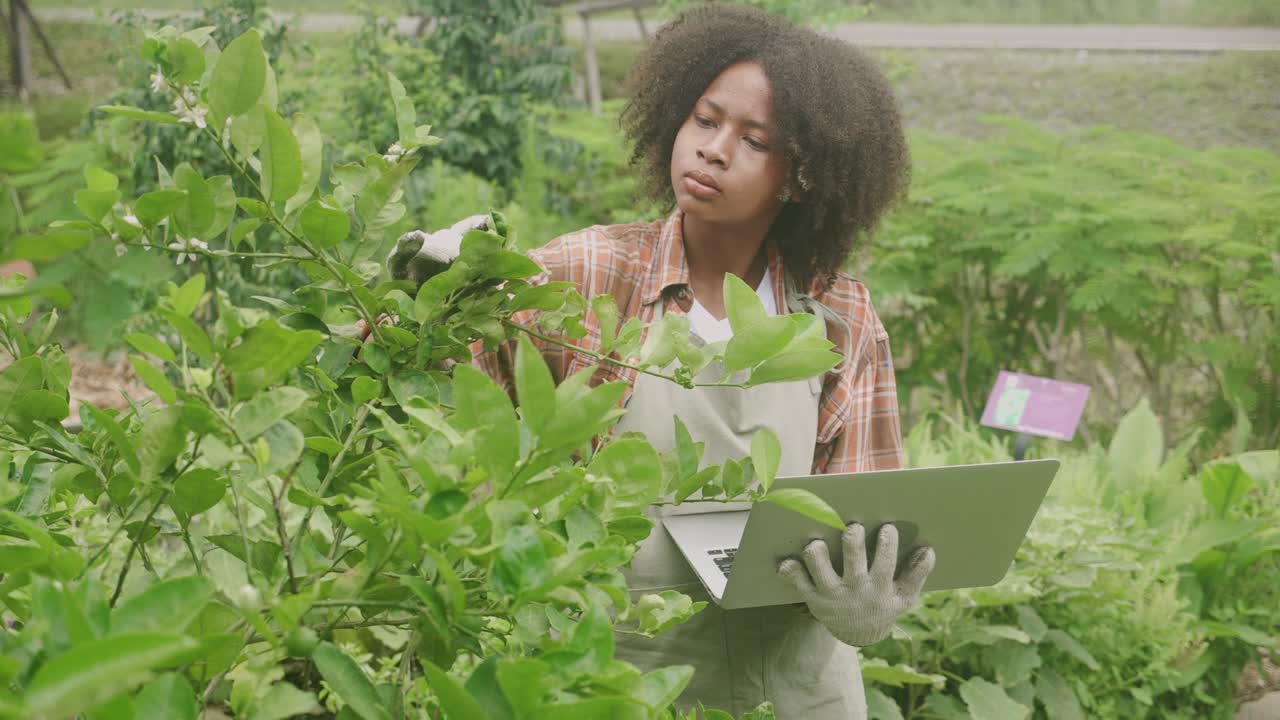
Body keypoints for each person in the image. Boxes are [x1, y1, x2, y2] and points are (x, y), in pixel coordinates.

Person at [384, 5, 935, 717]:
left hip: (795, 689)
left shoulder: (840, 317)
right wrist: (432, 304)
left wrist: (866, 606)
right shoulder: (584, 273)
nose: (713, 149)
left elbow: (868, 516)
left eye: (754, 140)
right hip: (611, 681)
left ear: (800, 178)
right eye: (705, 120)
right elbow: (459, 419)